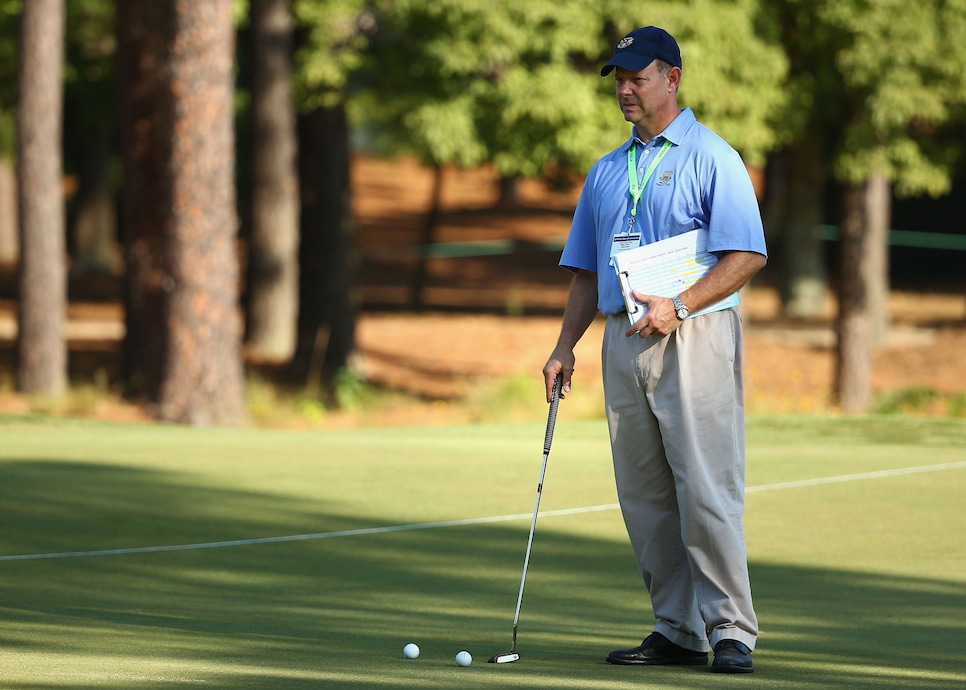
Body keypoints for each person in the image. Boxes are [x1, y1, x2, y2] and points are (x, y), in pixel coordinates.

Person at [542, 26, 767, 674]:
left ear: (672, 78)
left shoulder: (711, 155)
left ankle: (731, 632)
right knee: (643, 495)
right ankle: (678, 628)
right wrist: (564, 346)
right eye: (619, 78)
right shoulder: (608, 170)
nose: (625, 89)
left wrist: (684, 304)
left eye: (638, 77)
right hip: (622, 339)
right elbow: (586, 271)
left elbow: (746, 253)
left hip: (693, 334)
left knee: (706, 488)